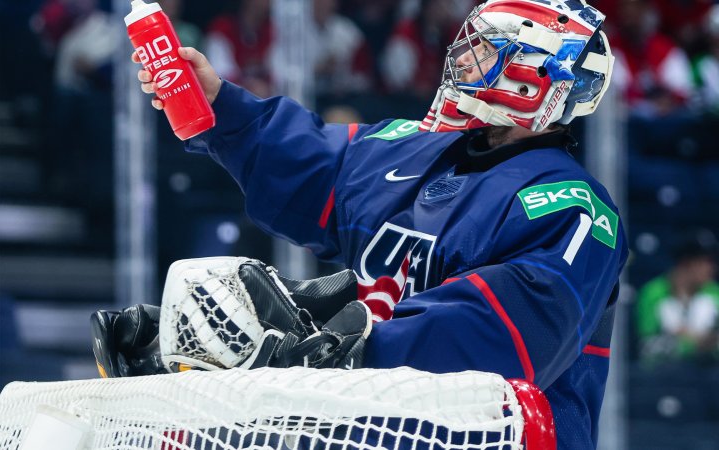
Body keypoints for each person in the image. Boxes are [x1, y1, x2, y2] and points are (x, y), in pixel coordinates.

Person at [129, 0, 628, 448]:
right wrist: (221, 105)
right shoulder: (408, 147)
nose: (462, 59)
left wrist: (335, 356)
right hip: (367, 427)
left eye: (487, 50)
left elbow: (495, 341)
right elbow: (309, 166)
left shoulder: (571, 209)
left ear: (531, 78)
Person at [636, 232, 719, 363]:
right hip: (660, 377)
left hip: (709, 375)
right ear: (686, 262)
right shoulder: (653, 292)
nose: (712, 268)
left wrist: (686, 338)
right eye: (705, 261)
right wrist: (696, 343)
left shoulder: (715, 292)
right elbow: (646, 345)